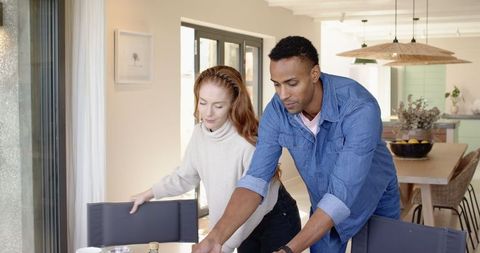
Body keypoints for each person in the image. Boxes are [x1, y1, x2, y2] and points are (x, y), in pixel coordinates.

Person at [191, 36, 400, 253]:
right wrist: (215, 238)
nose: (283, 95)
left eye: (291, 83)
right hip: (323, 200)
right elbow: (255, 180)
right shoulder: (276, 112)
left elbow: (341, 195)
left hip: (375, 198)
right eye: (276, 85)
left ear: (314, 74)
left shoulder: (359, 108)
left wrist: (289, 250)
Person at [129, 65, 301, 253]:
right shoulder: (199, 134)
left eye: (218, 106)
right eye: (203, 103)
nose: (208, 113)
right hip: (234, 225)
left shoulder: (247, 143)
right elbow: (185, 176)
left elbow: (254, 205)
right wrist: (148, 194)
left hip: (273, 217)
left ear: (234, 104)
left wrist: (222, 244)